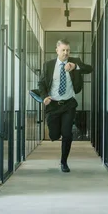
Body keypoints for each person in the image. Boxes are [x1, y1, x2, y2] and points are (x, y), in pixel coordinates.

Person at [38, 39, 93, 172]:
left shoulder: (75, 61)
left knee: (67, 133)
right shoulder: (48, 65)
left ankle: (64, 162)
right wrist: (44, 97)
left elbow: (90, 68)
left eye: (68, 50)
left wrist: (76, 67)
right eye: (63, 50)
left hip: (68, 104)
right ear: (57, 50)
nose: (66, 53)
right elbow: (41, 84)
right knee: (54, 135)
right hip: (53, 105)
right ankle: (55, 135)